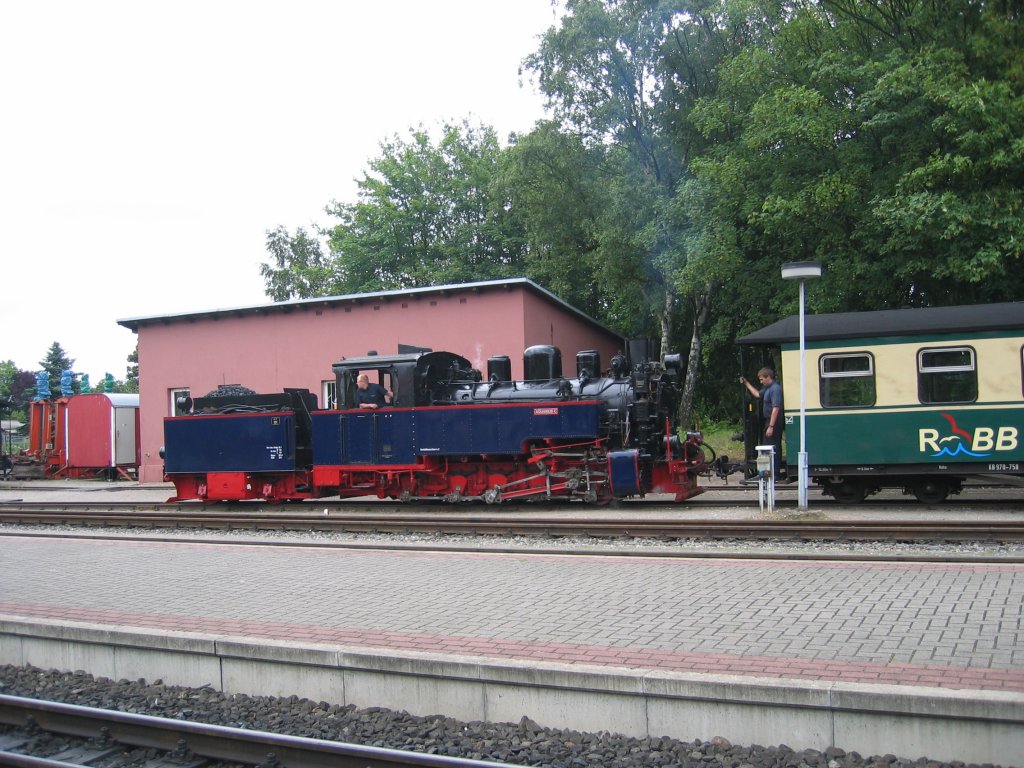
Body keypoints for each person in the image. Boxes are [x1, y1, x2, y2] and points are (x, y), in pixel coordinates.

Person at [740, 367, 784, 477]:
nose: (761, 382)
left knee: (771, 447)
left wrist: (771, 426)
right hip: (769, 421)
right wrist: (746, 383)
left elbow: (776, 408)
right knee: (768, 446)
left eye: (761, 379)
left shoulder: (775, 389)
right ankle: (770, 472)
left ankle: (773, 473)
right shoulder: (767, 388)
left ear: (768, 377)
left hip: (773, 422)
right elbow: (758, 394)